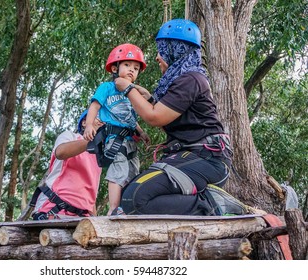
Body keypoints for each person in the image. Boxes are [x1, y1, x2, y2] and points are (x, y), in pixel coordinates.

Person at [114, 19, 236, 216]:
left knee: (134, 198)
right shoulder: (182, 80)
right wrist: (151, 99)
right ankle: (199, 201)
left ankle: (211, 204)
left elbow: (154, 118)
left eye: (161, 50)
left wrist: (127, 88)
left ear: (175, 49)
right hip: (188, 156)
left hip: (206, 158)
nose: (157, 58)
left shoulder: (191, 79)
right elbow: (167, 120)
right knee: (129, 196)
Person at [84, 43, 151, 216]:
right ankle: (113, 208)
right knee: (118, 171)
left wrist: (141, 132)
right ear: (115, 68)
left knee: (133, 171)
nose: (131, 70)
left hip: (130, 139)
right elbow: (95, 106)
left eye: (136, 68)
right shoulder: (107, 87)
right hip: (114, 138)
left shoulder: (131, 94)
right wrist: (90, 124)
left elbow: (130, 118)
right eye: (127, 65)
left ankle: (126, 207)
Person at [31, 110, 104, 220]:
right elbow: (60, 152)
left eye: (105, 120)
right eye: (98, 117)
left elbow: (91, 191)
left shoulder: (98, 155)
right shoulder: (70, 136)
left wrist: (95, 218)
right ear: (84, 122)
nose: (102, 122)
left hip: (82, 215)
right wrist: (93, 140)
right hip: (53, 208)